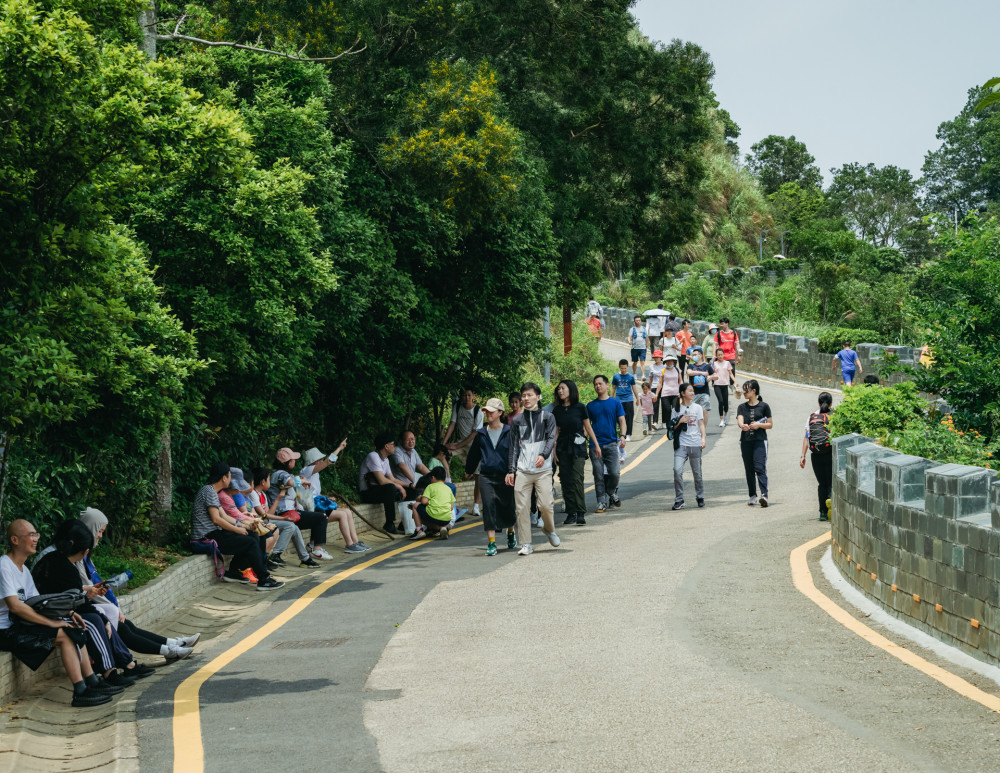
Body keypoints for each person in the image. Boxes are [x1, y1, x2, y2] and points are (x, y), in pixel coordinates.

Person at [0, 519, 118, 707]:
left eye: (36, 534)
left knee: (75, 627)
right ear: (15, 540)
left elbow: (40, 603)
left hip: (20, 624)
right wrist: (52, 623)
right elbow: (16, 606)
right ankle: (80, 691)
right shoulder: (4, 566)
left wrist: (69, 613)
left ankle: (91, 683)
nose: (35, 539)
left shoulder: (23, 571)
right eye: (31, 535)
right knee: (64, 635)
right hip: (5, 629)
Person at [77, 508, 198, 662]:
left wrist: (113, 606)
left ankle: (173, 644)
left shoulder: (86, 556)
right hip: (87, 610)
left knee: (129, 626)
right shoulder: (79, 557)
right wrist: (113, 608)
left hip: (96, 606)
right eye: (99, 531)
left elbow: (93, 588)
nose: (100, 535)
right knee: (124, 630)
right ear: (90, 528)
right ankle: (169, 650)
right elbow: (88, 591)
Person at [33, 520, 142, 687]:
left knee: (100, 616)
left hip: (59, 608)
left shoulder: (55, 558)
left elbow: (71, 595)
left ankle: (119, 664)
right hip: (53, 612)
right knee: (94, 621)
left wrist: (87, 592)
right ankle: (107, 671)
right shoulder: (65, 567)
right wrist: (102, 619)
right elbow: (77, 602)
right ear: (84, 551)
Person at [192, 461, 284, 590]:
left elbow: (224, 516)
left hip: (215, 533)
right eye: (229, 476)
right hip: (207, 536)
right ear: (224, 477)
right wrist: (238, 530)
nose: (230, 479)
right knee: (250, 542)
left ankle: (235, 571)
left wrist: (245, 526)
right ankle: (264, 579)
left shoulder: (212, 491)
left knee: (254, 535)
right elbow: (216, 519)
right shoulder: (209, 491)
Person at [506, 382, 560, 556]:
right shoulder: (516, 420)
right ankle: (526, 544)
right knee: (521, 508)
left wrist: (543, 455)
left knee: (545, 505)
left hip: (543, 469)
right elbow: (513, 447)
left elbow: (551, 438)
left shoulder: (547, 417)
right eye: (524, 395)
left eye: (529, 395)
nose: (526, 398)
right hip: (523, 470)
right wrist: (511, 470)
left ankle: (549, 530)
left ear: (538, 397)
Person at [464, 398, 517, 554]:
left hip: (506, 475)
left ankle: (511, 531)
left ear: (500, 413)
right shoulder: (481, 433)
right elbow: (474, 454)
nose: (488, 414)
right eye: (486, 411)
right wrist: (469, 469)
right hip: (486, 476)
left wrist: (512, 471)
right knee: (488, 507)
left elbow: (514, 453)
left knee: (508, 506)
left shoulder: (509, 431)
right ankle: (492, 543)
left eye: (491, 411)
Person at [298, 447, 369, 554]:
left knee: (347, 511)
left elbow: (316, 494)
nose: (322, 461)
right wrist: (340, 447)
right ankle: (349, 545)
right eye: (320, 459)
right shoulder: (307, 470)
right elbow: (328, 461)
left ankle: (355, 542)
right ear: (314, 461)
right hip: (311, 508)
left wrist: (326, 498)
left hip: (316, 505)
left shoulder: (315, 474)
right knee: (342, 515)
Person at [269, 448, 335, 558]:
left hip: (290, 511)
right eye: (293, 459)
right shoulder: (281, 474)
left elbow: (290, 480)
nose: (295, 461)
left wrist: (298, 478)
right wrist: (302, 481)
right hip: (285, 513)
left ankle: (310, 551)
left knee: (318, 512)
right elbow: (290, 482)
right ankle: (316, 550)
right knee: (321, 517)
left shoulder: (279, 473)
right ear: (288, 462)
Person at [250, 469, 319, 568]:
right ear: (263, 482)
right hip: (260, 521)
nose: (270, 482)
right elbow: (263, 515)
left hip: (266, 520)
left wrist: (278, 498)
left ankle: (305, 558)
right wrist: (284, 519)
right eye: (269, 479)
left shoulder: (263, 495)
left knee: (294, 527)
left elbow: (269, 513)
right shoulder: (253, 494)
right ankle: (275, 554)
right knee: (290, 526)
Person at [552, 380, 599, 526]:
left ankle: (580, 513)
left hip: (578, 446)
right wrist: (553, 451)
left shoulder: (580, 408)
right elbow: (556, 433)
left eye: (563, 388)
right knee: (565, 479)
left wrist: (596, 445)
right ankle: (570, 513)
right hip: (562, 447)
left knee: (577, 478)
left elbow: (588, 428)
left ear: (570, 390)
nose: (560, 391)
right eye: (559, 389)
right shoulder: (557, 411)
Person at [587, 375, 627, 513]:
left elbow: (622, 421)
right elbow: (587, 427)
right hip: (595, 445)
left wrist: (622, 436)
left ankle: (610, 492)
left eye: (600, 383)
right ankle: (601, 502)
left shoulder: (615, 403)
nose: (598, 386)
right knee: (598, 475)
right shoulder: (590, 405)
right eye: (595, 384)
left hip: (611, 443)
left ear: (607, 385)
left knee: (615, 473)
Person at [443, 387, 484, 516]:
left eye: (469, 395)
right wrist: (444, 444)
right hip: (460, 444)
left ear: (473, 396)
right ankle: (447, 481)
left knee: (478, 475)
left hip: (474, 446)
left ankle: (476, 505)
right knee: (442, 454)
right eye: (464, 395)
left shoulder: (478, 412)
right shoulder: (457, 407)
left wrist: (457, 445)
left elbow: (474, 434)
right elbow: (452, 424)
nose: (466, 398)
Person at [360, 432, 408, 534]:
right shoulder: (373, 456)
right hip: (368, 493)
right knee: (390, 488)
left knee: (410, 490)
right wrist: (399, 487)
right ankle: (389, 523)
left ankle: (404, 524)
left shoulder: (385, 459)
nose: (394, 447)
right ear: (386, 446)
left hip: (379, 492)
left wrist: (410, 485)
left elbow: (393, 479)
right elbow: (382, 480)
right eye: (393, 444)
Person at [736, 380, 773, 507]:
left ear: (754, 391)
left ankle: (764, 495)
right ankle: (752, 496)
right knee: (749, 469)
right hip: (745, 441)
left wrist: (759, 425)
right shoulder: (742, 407)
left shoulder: (764, 406)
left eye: (746, 390)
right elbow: (740, 421)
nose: (744, 392)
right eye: (743, 390)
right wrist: (743, 426)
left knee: (760, 467)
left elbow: (770, 424)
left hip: (760, 440)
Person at [670, 383, 707, 510]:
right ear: (683, 393)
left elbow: (701, 424)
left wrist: (703, 438)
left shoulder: (697, 407)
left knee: (697, 473)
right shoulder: (675, 409)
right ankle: (679, 499)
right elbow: (672, 428)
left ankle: (700, 497)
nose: (692, 393)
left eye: (693, 391)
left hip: (695, 443)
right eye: (690, 391)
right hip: (681, 444)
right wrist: (679, 421)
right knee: (677, 470)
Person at [801, 392, 835, 521]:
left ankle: (822, 512)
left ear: (818, 403)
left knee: (822, 483)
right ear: (831, 403)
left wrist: (802, 456)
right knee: (831, 482)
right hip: (830, 453)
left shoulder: (812, 417)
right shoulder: (834, 416)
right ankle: (831, 503)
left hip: (815, 455)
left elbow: (806, 437)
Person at [409, 467, 456, 540]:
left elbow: (424, 502)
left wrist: (430, 502)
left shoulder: (430, 486)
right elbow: (451, 507)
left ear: (433, 477)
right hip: (447, 519)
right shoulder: (448, 489)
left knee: (415, 506)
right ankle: (443, 528)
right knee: (438, 517)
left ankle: (419, 531)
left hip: (434, 516)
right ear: (444, 479)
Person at [611, 358, 639, 440]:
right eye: (622, 368)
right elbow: (613, 388)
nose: (623, 370)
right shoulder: (616, 376)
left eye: (625, 368)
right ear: (619, 367)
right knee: (620, 416)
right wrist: (611, 399)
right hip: (619, 399)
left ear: (627, 367)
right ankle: (623, 433)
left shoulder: (630, 377)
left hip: (629, 399)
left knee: (629, 417)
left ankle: (628, 434)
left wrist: (637, 398)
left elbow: (634, 388)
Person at [686, 347, 714, 419]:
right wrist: (702, 373)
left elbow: (715, 376)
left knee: (704, 412)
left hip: (704, 392)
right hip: (693, 393)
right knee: (693, 413)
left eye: (695, 354)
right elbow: (689, 372)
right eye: (693, 355)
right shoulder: (691, 366)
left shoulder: (707, 366)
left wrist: (710, 377)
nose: (693, 356)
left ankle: (703, 430)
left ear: (701, 355)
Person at [715, 319, 742, 393]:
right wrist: (714, 355)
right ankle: (720, 384)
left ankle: (731, 383)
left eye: (722, 324)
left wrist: (739, 354)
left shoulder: (733, 333)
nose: (721, 325)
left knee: (732, 367)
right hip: (721, 355)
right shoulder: (718, 333)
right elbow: (715, 344)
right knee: (720, 370)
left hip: (731, 354)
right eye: (720, 324)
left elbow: (737, 344)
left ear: (727, 324)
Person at [656, 352, 681, 419]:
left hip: (675, 393)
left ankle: (674, 426)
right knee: (667, 410)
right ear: (665, 362)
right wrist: (656, 394)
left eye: (670, 361)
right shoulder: (662, 371)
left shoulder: (677, 370)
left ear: (673, 361)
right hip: (665, 394)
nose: (669, 362)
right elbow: (660, 383)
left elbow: (680, 381)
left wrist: (682, 391)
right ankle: (668, 425)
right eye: (667, 361)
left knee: (675, 410)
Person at [646, 350, 666, 430]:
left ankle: (664, 422)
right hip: (654, 387)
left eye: (658, 357)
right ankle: (655, 422)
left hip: (663, 387)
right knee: (655, 405)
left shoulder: (664, 367)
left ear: (661, 358)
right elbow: (650, 379)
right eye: (655, 357)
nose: (656, 359)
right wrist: (648, 389)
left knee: (664, 405)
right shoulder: (651, 367)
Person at [712, 353, 733, 427]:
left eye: (721, 355)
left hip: (725, 385)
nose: (720, 356)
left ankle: (725, 416)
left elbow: (730, 374)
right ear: (716, 356)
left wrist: (735, 382)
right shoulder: (714, 364)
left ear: (723, 355)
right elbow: (711, 373)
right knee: (720, 401)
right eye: (718, 355)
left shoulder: (727, 363)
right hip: (717, 385)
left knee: (725, 403)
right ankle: (721, 420)